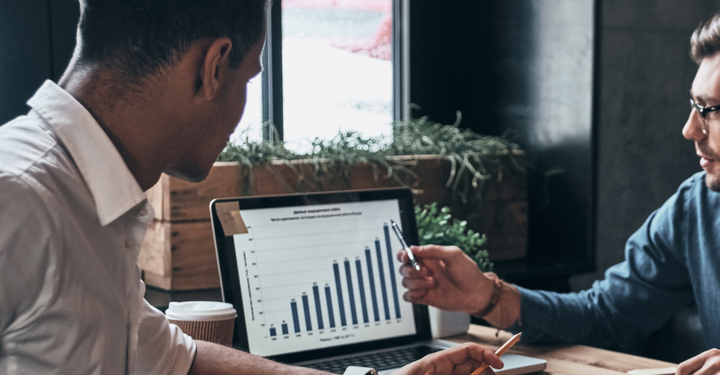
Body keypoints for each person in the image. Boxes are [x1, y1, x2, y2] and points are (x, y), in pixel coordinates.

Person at [396, 3, 720, 375]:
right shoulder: (697, 207)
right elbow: (608, 316)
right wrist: (487, 295)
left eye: (707, 111)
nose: (689, 130)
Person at [0, 1, 502, 374]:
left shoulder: (88, 196)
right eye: (248, 79)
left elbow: (175, 356)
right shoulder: (17, 197)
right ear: (214, 66)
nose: (241, 116)